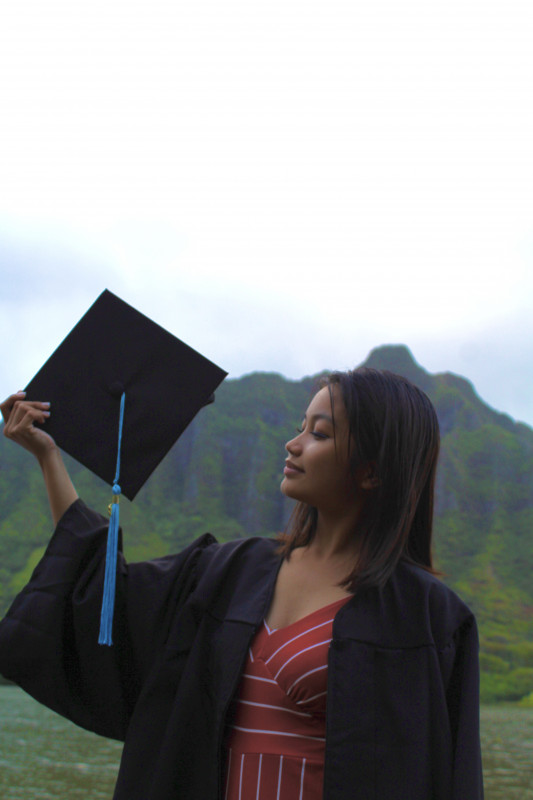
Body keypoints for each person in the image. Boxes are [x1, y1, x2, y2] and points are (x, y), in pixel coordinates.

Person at [0, 368, 484, 800]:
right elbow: (102, 597)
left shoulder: (428, 620)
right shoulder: (228, 573)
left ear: (373, 471)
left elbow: (448, 778)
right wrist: (49, 459)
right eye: (300, 428)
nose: (294, 444)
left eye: (320, 434)